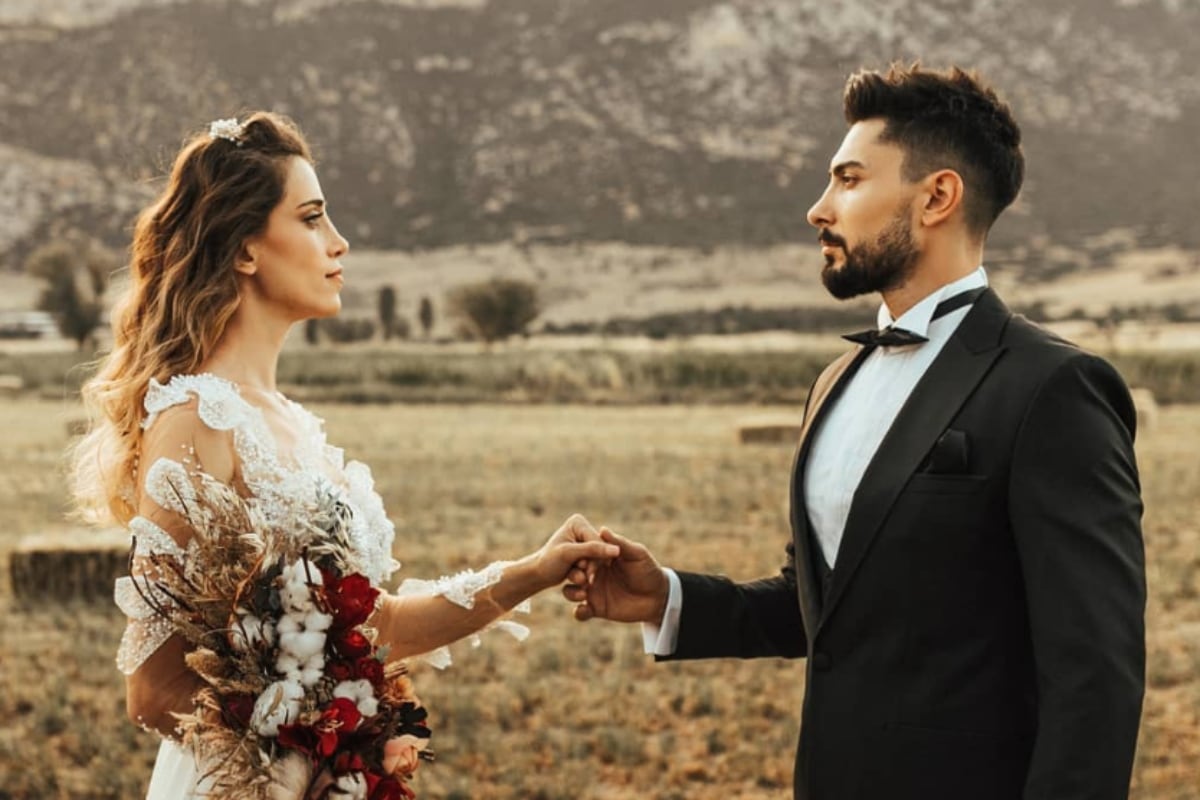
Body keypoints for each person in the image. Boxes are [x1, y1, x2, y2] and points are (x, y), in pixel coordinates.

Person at [565, 64, 1146, 800]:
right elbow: (827, 608)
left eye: (847, 179)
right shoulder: (835, 382)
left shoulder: (1052, 389)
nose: (818, 208)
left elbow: (1096, 674)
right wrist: (668, 598)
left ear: (937, 196)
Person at [71, 112, 617, 798]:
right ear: (244, 248)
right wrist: (314, 765)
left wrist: (530, 573)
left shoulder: (295, 424)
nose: (340, 242)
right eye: (311, 218)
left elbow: (377, 623)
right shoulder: (197, 418)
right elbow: (153, 689)